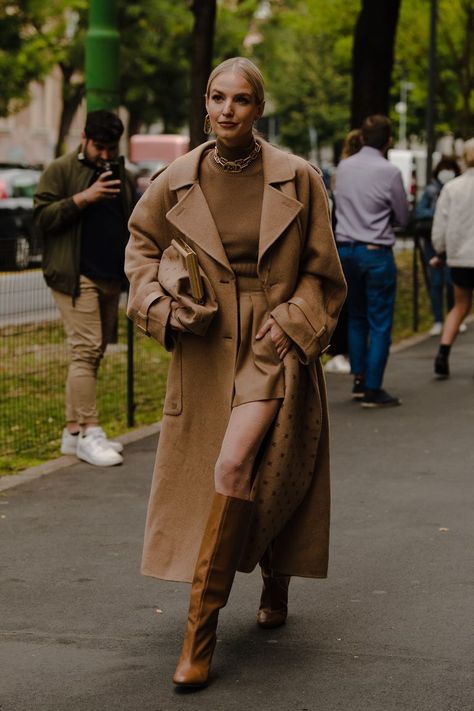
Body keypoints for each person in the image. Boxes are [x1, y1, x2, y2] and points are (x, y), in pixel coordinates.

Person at [125, 57, 346, 688]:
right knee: (249, 470)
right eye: (218, 98)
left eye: (242, 99)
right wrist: (162, 305)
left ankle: (200, 633)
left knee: (234, 465)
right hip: (205, 345)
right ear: (205, 105)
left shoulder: (299, 179)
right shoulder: (177, 177)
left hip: (272, 343)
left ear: (259, 107)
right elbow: (139, 250)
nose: (228, 110)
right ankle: (274, 575)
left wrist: (296, 320)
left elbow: (324, 271)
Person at [34, 110, 136, 466]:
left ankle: (72, 432)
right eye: (99, 148)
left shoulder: (118, 170)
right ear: (84, 137)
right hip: (74, 276)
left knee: (92, 353)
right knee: (85, 349)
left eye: (111, 148)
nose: (105, 155)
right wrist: (85, 197)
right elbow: (42, 217)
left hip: (109, 276)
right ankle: (90, 431)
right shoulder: (61, 169)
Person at [334, 114, 409, 407]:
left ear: (362, 138)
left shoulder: (344, 167)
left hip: (346, 250)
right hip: (375, 251)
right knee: (379, 321)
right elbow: (402, 216)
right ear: (388, 140)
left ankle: (358, 378)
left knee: (356, 316)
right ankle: (373, 388)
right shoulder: (389, 172)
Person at [432, 139, 474, 378]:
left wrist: (440, 251)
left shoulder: (452, 188)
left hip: (460, 258)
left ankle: (443, 353)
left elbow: (441, 226)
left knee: (460, 305)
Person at [325, 128, 363, 375]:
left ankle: (340, 351)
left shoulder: (342, 171)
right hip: (361, 241)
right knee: (360, 307)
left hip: (342, 241)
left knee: (345, 302)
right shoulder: (372, 170)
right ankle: (351, 358)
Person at [414, 157, 461, 336]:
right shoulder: (431, 190)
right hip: (433, 242)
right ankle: (438, 320)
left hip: (452, 243)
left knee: (451, 282)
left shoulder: (456, 189)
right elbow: (419, 211)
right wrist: (440, 211)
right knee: (435, 282)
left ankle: (452, 316)